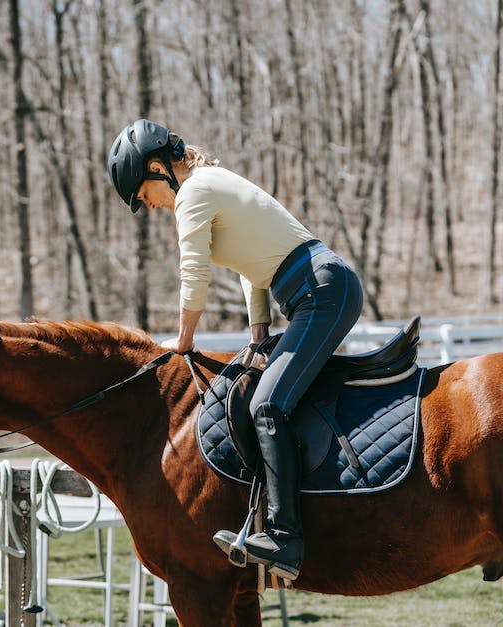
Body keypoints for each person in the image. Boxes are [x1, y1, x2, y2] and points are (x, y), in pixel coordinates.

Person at [107, 119, 363, 580]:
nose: (151, 204)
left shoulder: (192, 194)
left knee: (267, 406)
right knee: (261, 389)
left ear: (156, 167)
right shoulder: (212, 185)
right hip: (316, 288)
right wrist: (258, 335)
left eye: (144, 194)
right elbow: (254, 267)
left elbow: (194, 271)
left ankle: (284, 538)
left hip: (320, 291)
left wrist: (184, 340)